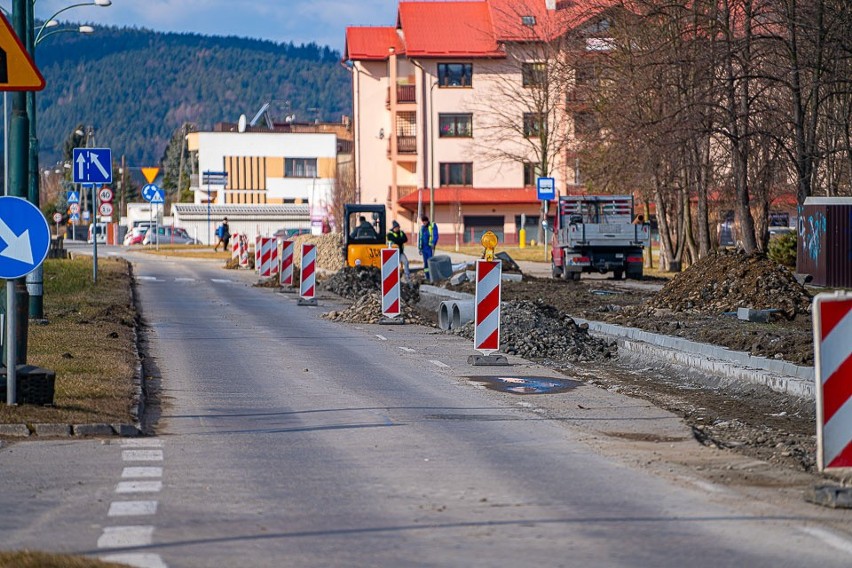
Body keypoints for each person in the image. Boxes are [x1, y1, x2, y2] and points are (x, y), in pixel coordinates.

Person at [418, 215, 438, 281]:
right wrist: (420, 248)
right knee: (426, 263)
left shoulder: (432, 226)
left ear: (427, 221)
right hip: (424, 248)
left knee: (430, 262)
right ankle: (427, 276)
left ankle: (432, 276)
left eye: (424, 222)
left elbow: (435, 235)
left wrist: (433, 243)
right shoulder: (422, 228)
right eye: (423, 222)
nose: (424, 223)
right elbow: (420, 239)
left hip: (429, 248)